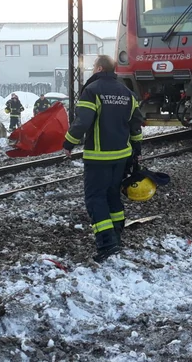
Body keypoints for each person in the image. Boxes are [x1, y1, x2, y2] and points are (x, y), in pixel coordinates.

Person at [62, 55, 144, 263]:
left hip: (99, 157)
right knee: (112, 195)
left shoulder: (92, 90)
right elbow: (135, 126)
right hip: (121, 156)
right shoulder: (127, 93)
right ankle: (116, 236)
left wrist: (69, 142)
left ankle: (107, 245)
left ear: (99, 68)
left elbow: (82, 122)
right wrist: (137, 150)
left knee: (95, 198)